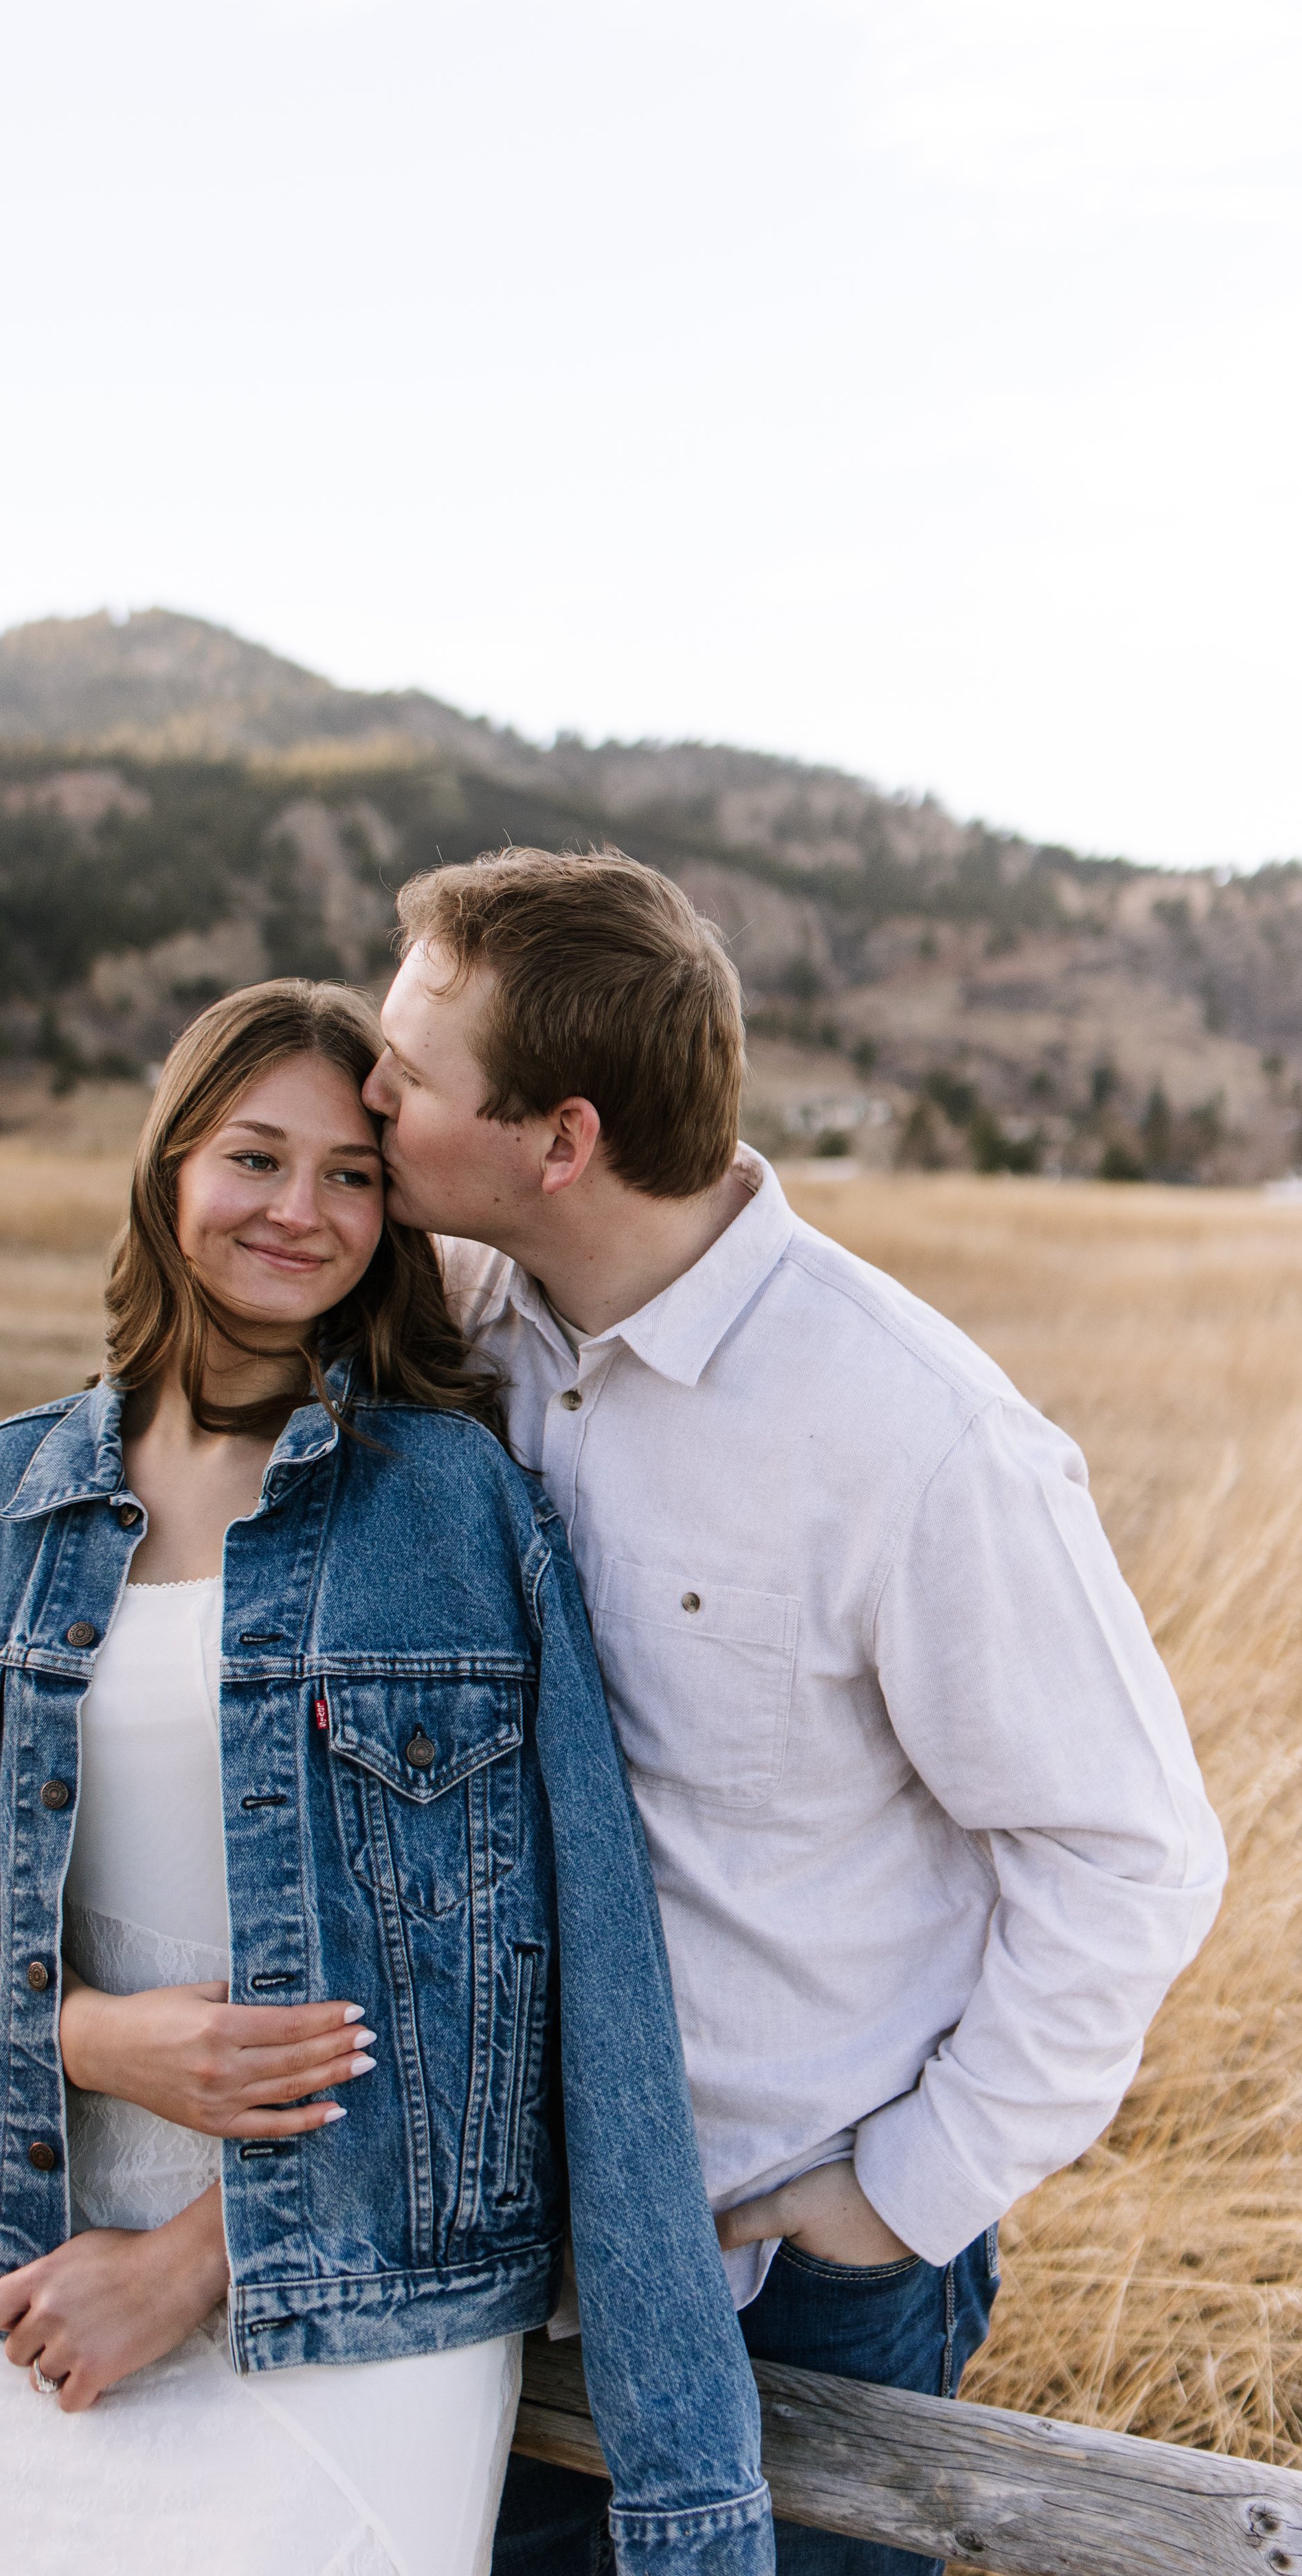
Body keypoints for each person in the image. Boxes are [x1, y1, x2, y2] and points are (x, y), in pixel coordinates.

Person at [0, 979, 776, 2576]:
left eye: (350, 1175)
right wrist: (92, 2036)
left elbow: (532, 1999)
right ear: (169, 1166)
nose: (298, 1212)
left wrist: (201, 2258)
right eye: (254, 1157)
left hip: (358, 2326)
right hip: (23, 2279)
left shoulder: (449, 1508)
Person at [363, 850, 1228, 2576]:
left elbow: (1127, 1854)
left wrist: (901, 2195)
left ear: (560, 1141)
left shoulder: (912, 1435)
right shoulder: (458, 1326)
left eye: (403, 1073)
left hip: (784, 2272)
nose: (365, 1093)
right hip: (496, 2247)